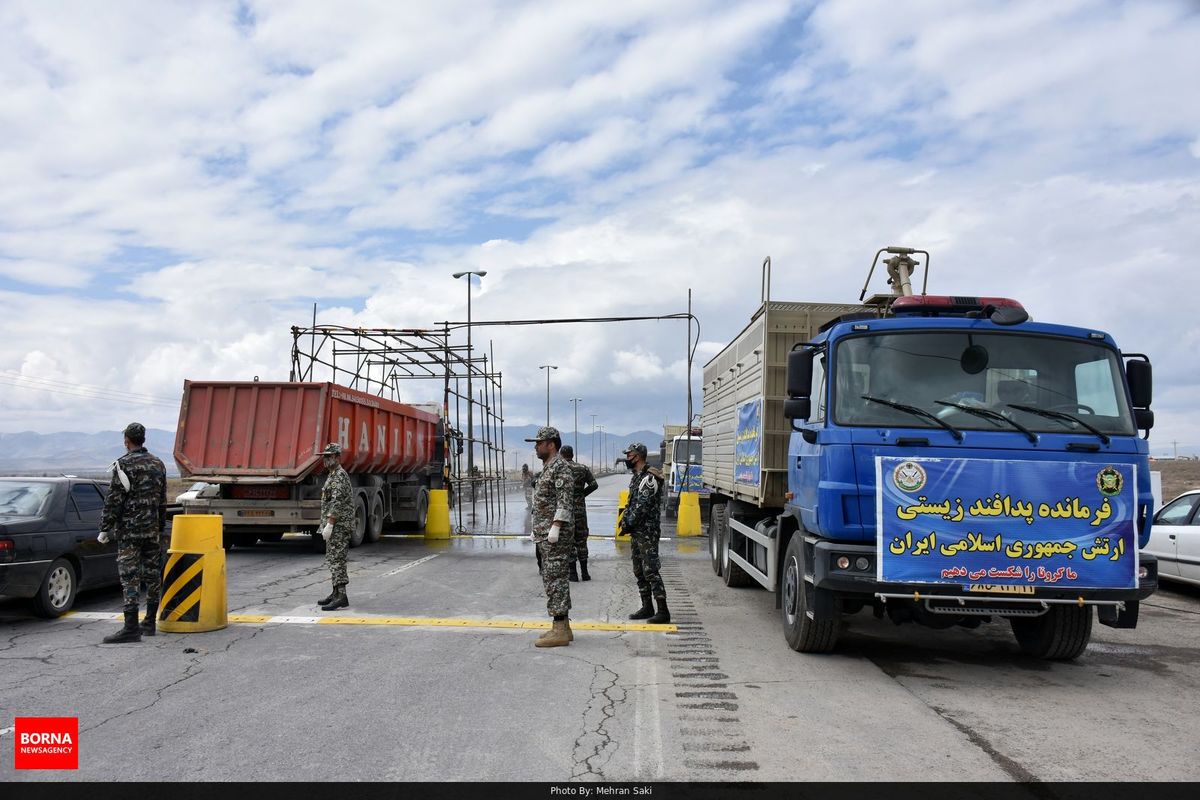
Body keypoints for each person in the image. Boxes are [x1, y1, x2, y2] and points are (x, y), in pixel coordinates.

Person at [98, 422, 167, 644]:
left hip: (129, 532)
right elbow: (162, 500)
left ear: (127, 440)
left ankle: (130, 628)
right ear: (143, 439)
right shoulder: (159, 464)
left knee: (130, 576)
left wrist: (105, 528)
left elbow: (114, 500)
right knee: (153, 575)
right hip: (152, 531)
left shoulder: (123, 465)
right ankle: (149, 623)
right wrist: (159, 526)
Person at [525, 426, 576, 647]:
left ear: (551, 444)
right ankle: (563, 626)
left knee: (556, 580)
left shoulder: (560, 468)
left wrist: (555, 527)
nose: (536, 446)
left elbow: (564, 500)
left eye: (539, 442)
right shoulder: (548, 468)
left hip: (555, 535)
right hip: (544, 533)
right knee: (552, 578)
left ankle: (559, 630)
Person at [618, 442, 670, 624]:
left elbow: (641, 507)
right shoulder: (637, 476)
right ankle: (647, 606)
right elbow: (632, 503)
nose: (627, 458)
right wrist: (626, 524)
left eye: (629, 454)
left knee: (651, 570)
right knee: (639, 570)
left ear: (638, 456)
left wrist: (627, 524)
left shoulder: (649, 478)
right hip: (637, 531)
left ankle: (663, 610)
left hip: (646, 532)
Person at [317, 442, 353, 611]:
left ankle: (342, 596)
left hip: (339, 526)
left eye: (329, 456)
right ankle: (335, 592)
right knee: (332, 559)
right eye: (324, 456)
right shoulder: (332, 474)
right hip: (334, 525)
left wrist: (330, 524)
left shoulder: (339, 475)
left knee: (337, 560)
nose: (326, 460)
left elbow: (337, 502)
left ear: (338, 457)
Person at [560, 445, 598, 582]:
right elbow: (594, 484)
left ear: (561, 455)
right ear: (572, 455)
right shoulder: (583, 468)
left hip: (565, 511)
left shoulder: (560, 469)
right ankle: (585, 573)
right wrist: (582, 495)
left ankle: (573, 574)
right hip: (580, 510)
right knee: (582, 540)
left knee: (569, 541)